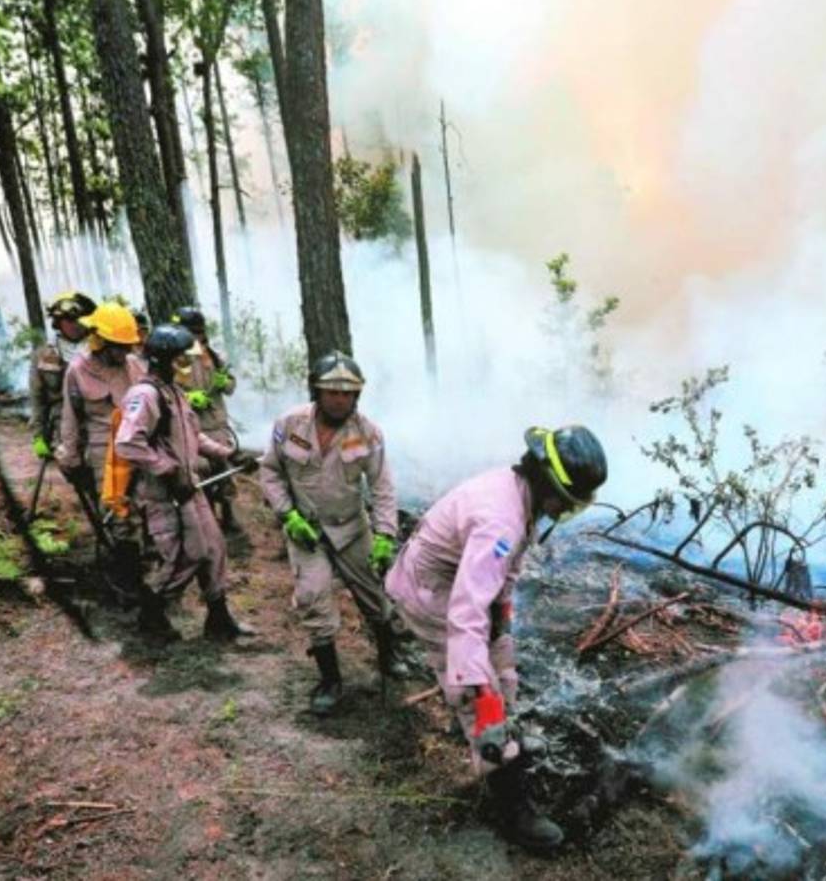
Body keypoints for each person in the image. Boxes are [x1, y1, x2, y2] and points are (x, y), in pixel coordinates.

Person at [384, 425, 608, 851]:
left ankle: (506, 735)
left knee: (503, 668)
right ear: (548, 482)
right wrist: (480, 688)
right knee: (478, 697)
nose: (565, 509)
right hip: (432, 594)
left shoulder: (519, 493)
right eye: (566, 500)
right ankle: (510, 805)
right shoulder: (500, 522)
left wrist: (502, 625)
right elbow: (466, 613)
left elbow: (500, 577)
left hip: (457, 585)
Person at [258, 350, 406, 716]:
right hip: (305, 530)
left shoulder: (368, 434)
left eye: (348, 393)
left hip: (352, 529)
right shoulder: (289, 424)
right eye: (332, 392)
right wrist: (287, 514)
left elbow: (382, 486)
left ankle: (389, 654)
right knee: (313, 598)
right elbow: (270, 471)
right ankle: (330, 680)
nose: (340, 400)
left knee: (375, 596)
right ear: (316, 390)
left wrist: (385, 534)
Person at [114, 324, 257, 643]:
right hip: (164, 494)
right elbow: (127, 443)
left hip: (189, 488)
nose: (188, 364)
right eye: (181, 359)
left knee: (214, 549)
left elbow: (194, 436)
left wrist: (228, 454)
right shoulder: (145, 395)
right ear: (162, 359)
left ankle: (219, 618)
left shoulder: (174, 393)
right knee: (185, 555)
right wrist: (168, 470)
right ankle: (151, 615)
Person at [55, 301, 146, 603]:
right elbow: (70, 418)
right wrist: (70, 456)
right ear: (101, 341)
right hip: (103, 453)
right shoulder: (78, 370)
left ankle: (148, 566)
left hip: (138, 447)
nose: (126, 352)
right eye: (120, 346)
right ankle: (128, 582)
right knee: (117, 514)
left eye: (128, 346)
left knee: (146, 507)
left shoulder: (134, 366)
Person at [172, 306, 243, 535]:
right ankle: (208, 516)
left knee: (225, 472)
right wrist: (188, 398)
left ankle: (228, 514)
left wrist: (225, 383)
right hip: (192, 426)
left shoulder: (212, 355)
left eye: (197, 332)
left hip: (217, 424)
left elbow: (231, 386)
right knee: (201, 473)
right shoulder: (174, 358)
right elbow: (166, 391)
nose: (196, 337)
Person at [29, 291, 96, 460]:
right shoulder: (44, 355)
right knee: (71, 466)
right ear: (58, 322)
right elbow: (38, 398)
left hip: (97, 421)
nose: (76, 325)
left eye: (80, 319)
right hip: (63, 425)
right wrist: (39, 436)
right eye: (69, 320)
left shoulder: (100, 350)